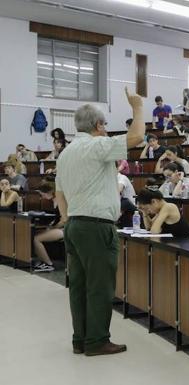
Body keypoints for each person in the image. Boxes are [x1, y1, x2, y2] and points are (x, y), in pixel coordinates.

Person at [56, 87, 145, 356]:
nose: (107, 129)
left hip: (74, 225)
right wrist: (138, 107)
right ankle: (96, 341)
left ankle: (80, 339)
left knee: (79, 286)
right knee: (100, 285)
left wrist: (67, 217)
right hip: (96, 226)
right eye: (105, 125)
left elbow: (59, 193)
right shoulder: (97, 145)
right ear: (98, 125)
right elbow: (137, 136)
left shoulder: (66, 153)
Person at [32, 181, 65, 273]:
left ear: (50, 192)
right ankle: (43, 261)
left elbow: (64, 220)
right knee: (36, 234)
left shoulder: (60, 199)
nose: (43, 197)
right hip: (60, 228)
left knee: (36, 238)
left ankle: (48, 264)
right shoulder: (55, 200)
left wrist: (53, 228)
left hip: (65, 229)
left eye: (43, 194)